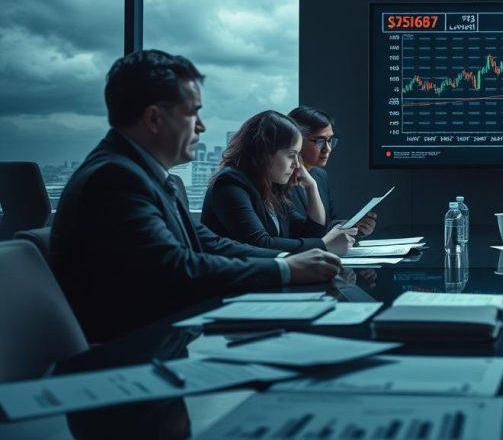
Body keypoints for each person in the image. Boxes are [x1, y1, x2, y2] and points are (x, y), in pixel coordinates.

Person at [50, 50, 343, 342]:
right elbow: (177, 267)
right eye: (193, 113)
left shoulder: (146, 174)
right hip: (133, 348)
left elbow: (209, 243)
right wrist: (285, 269)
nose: (201, 126)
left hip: (163, 334)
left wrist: (288, 261)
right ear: (154, 118)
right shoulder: (116, 178)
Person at [201, 111, 356, 255]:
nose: (297, 164)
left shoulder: (270, 187)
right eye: (291, 155)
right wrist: (323, 245)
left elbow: (310, 233)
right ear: (264, 154)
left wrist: (311, 187)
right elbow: (259, 244)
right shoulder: (230, 184)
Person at [288, 106, 377, 236]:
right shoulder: (282, 179)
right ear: (297, 141)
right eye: (320, 141)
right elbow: (304, 230)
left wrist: (354, 225)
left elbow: (328, 222)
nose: (328, 149)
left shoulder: (320, 176)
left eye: (330, 140)